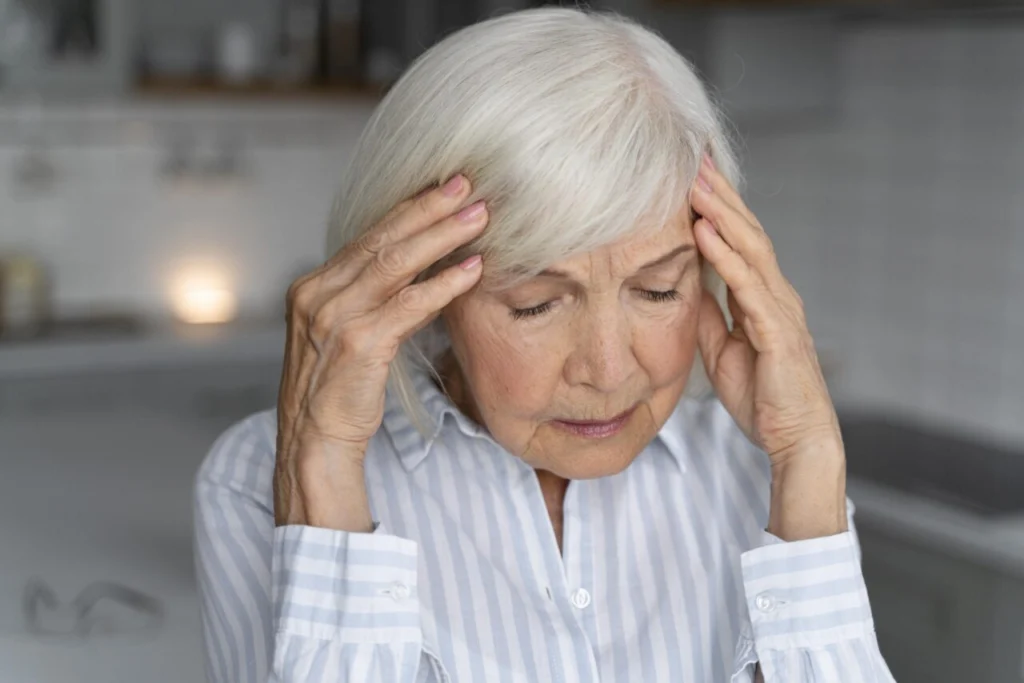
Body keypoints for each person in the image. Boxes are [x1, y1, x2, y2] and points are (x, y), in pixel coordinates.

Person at [193, 7, 895, 682]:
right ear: (425, 288)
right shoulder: (256, 481)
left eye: (658, 291)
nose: (609, 369)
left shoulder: (767, 477)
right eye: (535, 304)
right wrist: (322, 483)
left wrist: (810, 457)